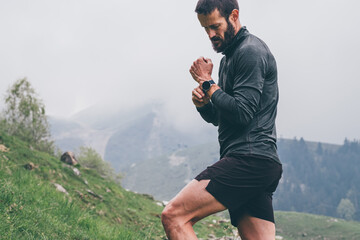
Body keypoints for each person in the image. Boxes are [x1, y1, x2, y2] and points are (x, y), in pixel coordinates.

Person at [161, 0, 282, 239]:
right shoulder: (229, 58)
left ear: (234, 16)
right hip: (258, 164)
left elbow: (243, 112)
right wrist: (205, 105)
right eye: (205, 29)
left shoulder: (251, 51)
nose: (211, 34)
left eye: (215, 26)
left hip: (249, 160)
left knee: (174, 216)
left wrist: (208, 83)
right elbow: (225, 118)